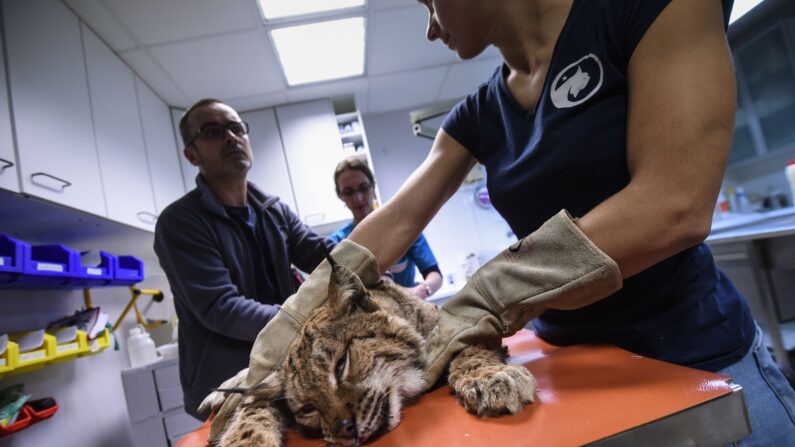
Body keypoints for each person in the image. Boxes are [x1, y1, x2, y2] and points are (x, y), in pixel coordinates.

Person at [209, 1, 795, 444]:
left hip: (695, 353)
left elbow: (674, 204)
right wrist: (272, 356)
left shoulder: (642, 9)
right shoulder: (479, 113)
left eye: (427, 2)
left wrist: (485, 297)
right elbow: (390, 227)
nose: (431, 27)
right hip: (572, 360)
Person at [154, 98, 333, 420]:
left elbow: (319, 254)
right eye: (213, 131)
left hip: (286, 371)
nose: (231, 137)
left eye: (237, 128)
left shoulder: (272, 209)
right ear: (191, 154)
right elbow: (221, 307)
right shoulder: (180, 222)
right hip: (229, 388)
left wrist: (366, 266)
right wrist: (308, 321)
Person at [329, 157, 443, 299]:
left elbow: (435, 275)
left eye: (363, 188)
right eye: (349, 192)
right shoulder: (338, 242)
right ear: (340, 195)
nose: (358, 198)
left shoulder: (403, 226)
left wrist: (421, 290)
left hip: (408, 310)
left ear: (373, 186)